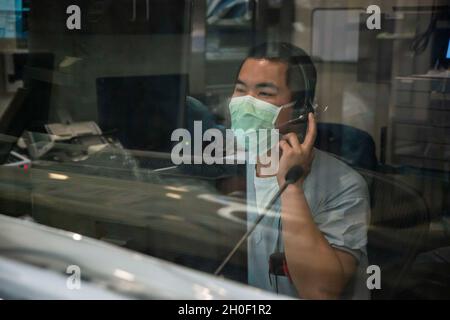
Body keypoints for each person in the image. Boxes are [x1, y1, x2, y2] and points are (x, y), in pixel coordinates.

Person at [228, 42, 370, 299]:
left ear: (302, 109)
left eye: (264, 94)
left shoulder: (345, 185)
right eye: (240, 89)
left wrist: (292, 188)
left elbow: (321, 292)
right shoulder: (237, 167)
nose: (246, 104)